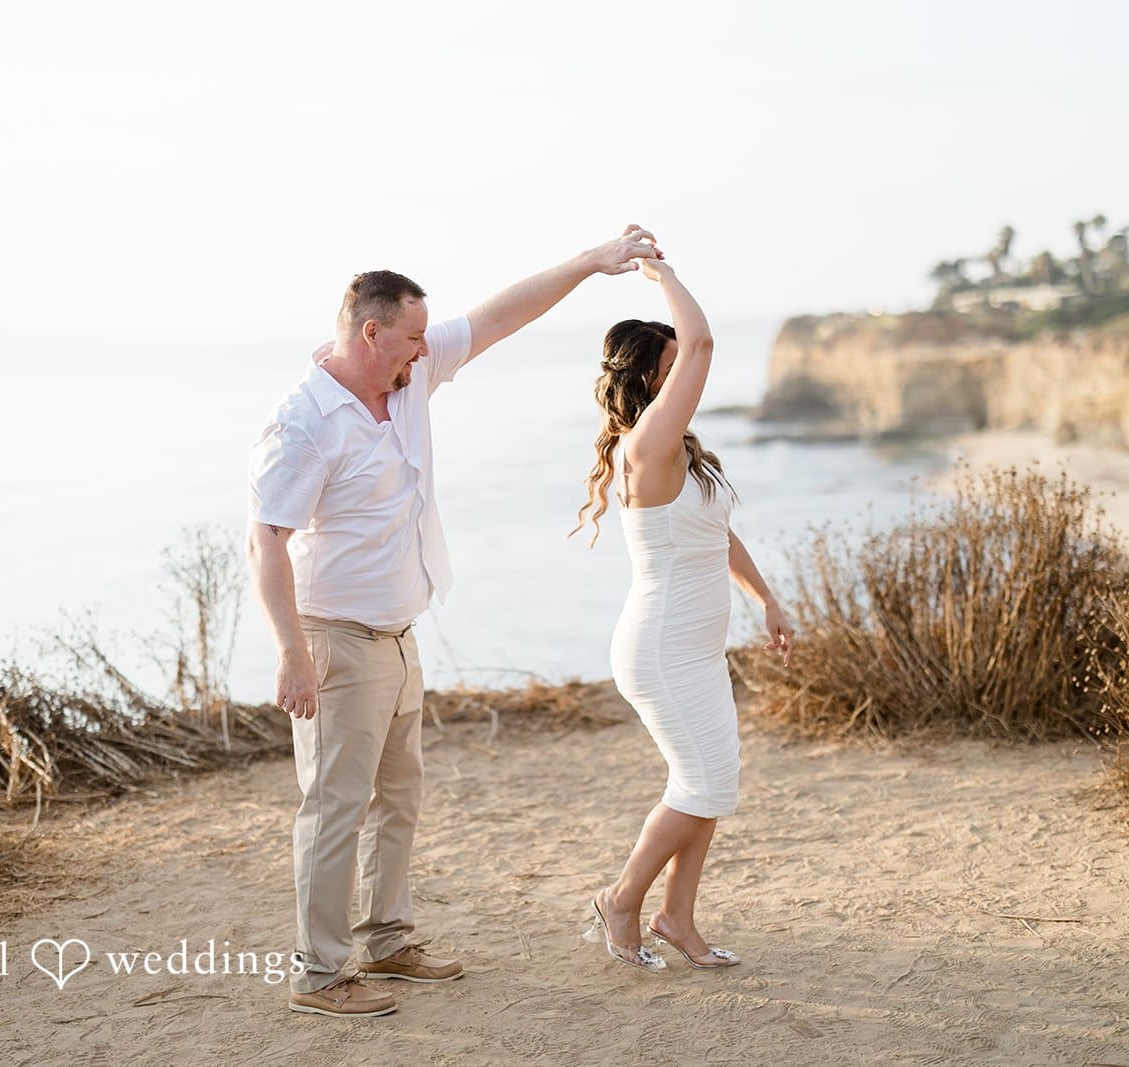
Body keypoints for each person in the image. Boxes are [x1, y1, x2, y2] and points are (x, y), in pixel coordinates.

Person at [247, 226, 661, 1018]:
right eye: (409, 337)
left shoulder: (409, 376)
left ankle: (387, 940)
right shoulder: (304, 422)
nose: (422, 350)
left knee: (399, 796)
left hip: (399, 635)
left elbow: (500, 316)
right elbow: (264, 541)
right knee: (335, 806)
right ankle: (318, 973)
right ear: (370, 333)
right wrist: (291, 654)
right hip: (335, 639)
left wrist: (589, 261)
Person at [571, 251, 793, 972]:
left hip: (696, 649)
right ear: (651, 379)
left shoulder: (683, 455)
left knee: (711, 782)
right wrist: (657, 271)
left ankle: (678, 915)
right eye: (673, 364)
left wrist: (768, 601)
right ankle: (624, 898)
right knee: (702, 782)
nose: (690, 372)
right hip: (661, 648)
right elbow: (702, 341)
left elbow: (717, 534)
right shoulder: (648, 446)